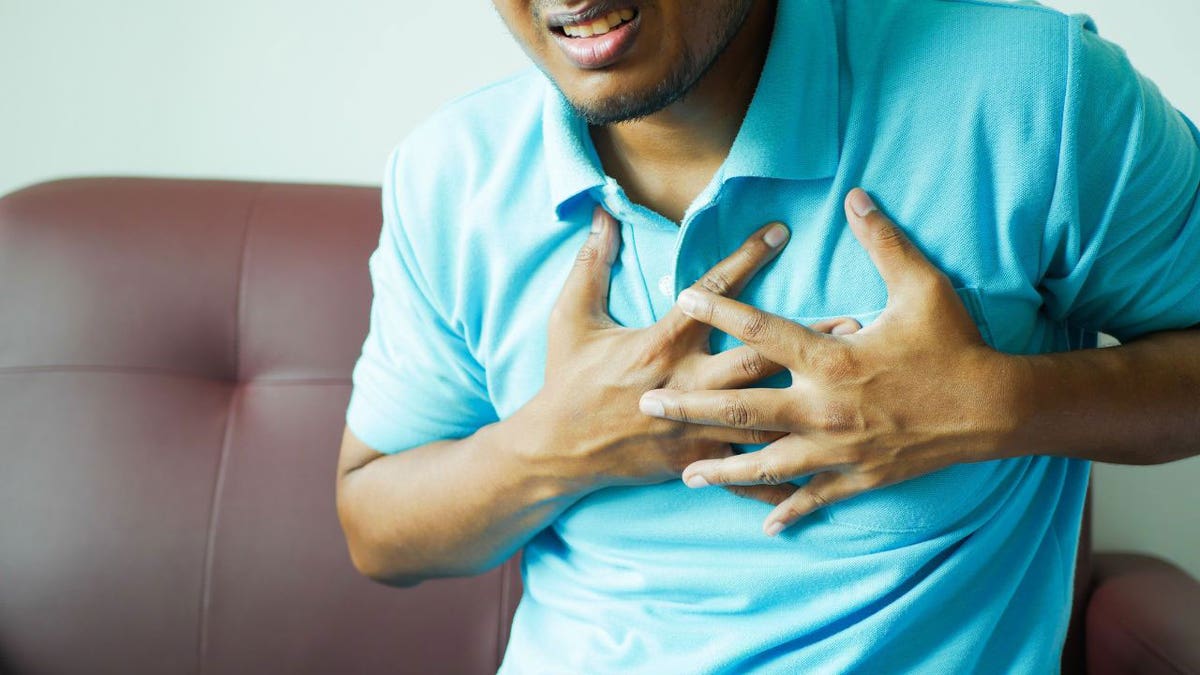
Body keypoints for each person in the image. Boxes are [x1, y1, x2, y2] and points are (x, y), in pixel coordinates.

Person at [334, 0, 1200, 671]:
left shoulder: (1034, 89)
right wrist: (557, 445)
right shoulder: (446, 173)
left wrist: (992, 403)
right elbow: (375, 526)